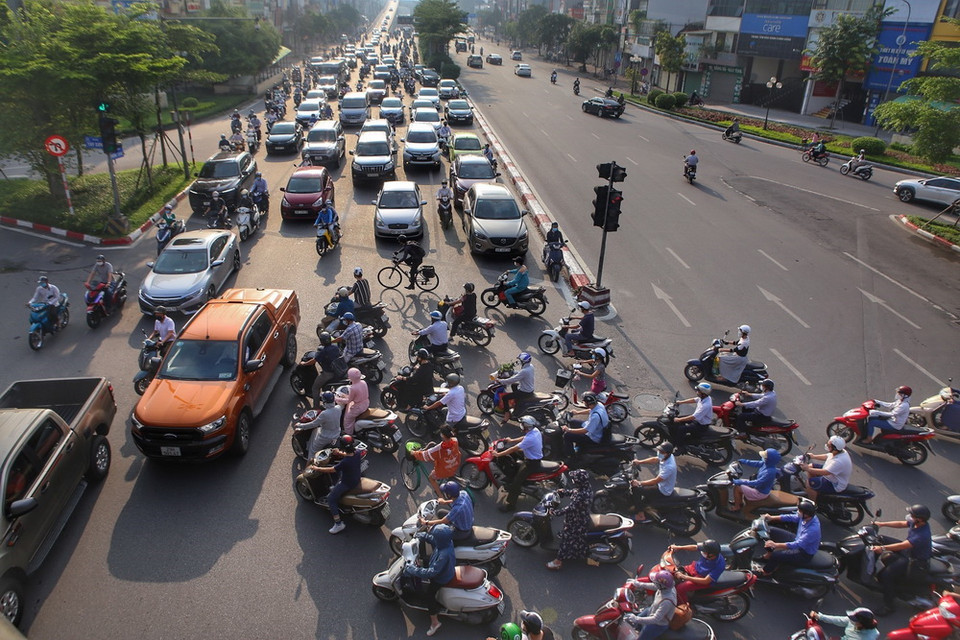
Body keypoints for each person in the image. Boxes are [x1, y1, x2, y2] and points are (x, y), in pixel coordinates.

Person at [871, 504, 933, 616]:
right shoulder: (916, 523)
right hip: (909, 552)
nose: (909, 516)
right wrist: (882, 524)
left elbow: (904, 545)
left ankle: (888, 606)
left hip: (913, 560)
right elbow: (901, 524)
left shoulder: (922, 534)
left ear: (919, 519)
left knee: (887, 576)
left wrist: (883, 548)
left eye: (912, 515)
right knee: (881, 539)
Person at [403, 524, 455, 636]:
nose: (434, 538)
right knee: (424, 560)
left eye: (436, 536)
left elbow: (432, 572)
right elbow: (433, 539)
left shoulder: (443, 555)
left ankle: (435, 623)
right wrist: (420, 535)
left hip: (441, 578)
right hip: (447, 570)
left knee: (429, 596)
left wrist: (413, 570)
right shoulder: (446, 543)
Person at [310, 434, 362, 534]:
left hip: (347, 483)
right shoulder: (358, 452)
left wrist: (317, 468)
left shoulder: (345, 462)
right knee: (340, 474)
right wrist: (339, 453)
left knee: (331, 499)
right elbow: (349, 454)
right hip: (356, 477)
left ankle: (338, 524)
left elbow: (331, 469)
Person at [758, 499, 821, 575]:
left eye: (799, 511)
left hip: (803, 552)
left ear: (806, 514)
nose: (798, 512)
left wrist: (775, 545)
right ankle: (768, 556)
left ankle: (766, 572)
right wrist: (772, 518)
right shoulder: (807, 517)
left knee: (776, 555)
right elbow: (791, 517)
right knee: (771, 530)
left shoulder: (812, 530)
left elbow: (797, 544)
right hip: (798, 539)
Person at [546, 469, 593, 570]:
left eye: (574, 479)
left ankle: (558, 561)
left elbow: (571, 508)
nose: (572, 481)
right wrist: (564, 492)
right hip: (578, 517)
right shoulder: (585, 487)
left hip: (577, 521)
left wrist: (556, 512)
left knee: (567, 540)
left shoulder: (582, 495)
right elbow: (574, 492)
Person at [496, 415, 544, 512]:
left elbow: (514, 448)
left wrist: (498, 454)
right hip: (531, 456)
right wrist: (511, 440)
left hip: (531, 463)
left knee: (516, 483)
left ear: (526, 426)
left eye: (522, 424)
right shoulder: (535, 431)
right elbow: (524, 437)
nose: (521, 425)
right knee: (511, 453)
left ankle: (510, 505)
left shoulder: (530, 438)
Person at [666, 539, 726, 605]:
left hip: (701, 578)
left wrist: (685, 577)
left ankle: (685, 608)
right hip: (694, 568)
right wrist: (679, 547)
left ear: (711, 555)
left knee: (680, 588)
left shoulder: (720, 565)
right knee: (674, 570)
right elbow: (695, 547)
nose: (703, 552)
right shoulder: (707, 549)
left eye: (705, 552)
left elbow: (706, 581)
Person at [621, 570, 677, 640]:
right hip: (651, 610)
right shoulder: (667, 587)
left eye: (656, 583)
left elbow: (656, 619)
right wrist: (638, 584)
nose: (654, 583)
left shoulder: (667, 601)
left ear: (661, 586)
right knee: (634, 622)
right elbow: (655, 586)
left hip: (657, 624)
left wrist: (636, 619)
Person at [631, 442, 677, 522]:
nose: (659, 453)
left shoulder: (669, 467)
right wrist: (639, 462)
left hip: (663, 489)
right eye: (659, 450)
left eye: (662, 452)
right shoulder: (668, 456)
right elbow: (655, 459)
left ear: (668, 453)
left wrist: (639, 483)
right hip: (661, 484)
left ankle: (640, 515)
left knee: (637, 489)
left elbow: (655, 481)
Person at [411, 427, 462, 499]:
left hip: (444, 470)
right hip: (454, 465)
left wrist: (414, 453)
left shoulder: (439, 449)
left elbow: (425, 456)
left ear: (443, 436)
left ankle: (440, 495)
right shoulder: (455, 440)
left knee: (431, 478)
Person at [802, 435, 853, 501]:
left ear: (834, 448)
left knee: (809, 483)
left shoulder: (839, 461)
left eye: (829, 445)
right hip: (831, 474)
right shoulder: (840, 451)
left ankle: (811, 505)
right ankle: (816, 489)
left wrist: (807, 469)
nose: (827, 445)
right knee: (811, 466)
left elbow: (825, 472)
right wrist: (813, 456)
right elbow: (827, 456)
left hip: (834, 483)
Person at [731, 448, 781, 512]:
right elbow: (755, 463)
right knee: (741, 483)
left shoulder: (769, 472)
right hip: (758, 487)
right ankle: (739, 501)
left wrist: (740, 482)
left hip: (760, 493)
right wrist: (743, 461)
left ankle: (737, 506)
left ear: (768, 459)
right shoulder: (766, 464)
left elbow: (757, 482)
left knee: (737, 487)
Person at [562, 392, 609, 457]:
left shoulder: (595, 417)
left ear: (588, 403)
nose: (583, 403)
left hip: (593, 437)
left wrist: (569, 430)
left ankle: (571, 457)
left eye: (584, 402)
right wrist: (577, 413)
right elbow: (590, 410)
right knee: (572, 422)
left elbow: (585, 430)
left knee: (567, 436)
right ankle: (579, 445)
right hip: (594, 429)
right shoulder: (599, 405)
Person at [309, 332, 349, 408]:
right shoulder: (335, 347)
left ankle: (316, 407)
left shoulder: (323, 351)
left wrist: (304, 363)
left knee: (315, 388)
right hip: (340, 370)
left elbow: (314, 360)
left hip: (329, 373)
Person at [499, 352, 536, 422]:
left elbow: (512, 380)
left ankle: (507, 414)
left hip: (525, 392)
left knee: (505, 398)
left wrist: (500, 381)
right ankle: (516, 402)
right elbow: (520, 373)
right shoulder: (531, 366)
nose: (520, 362)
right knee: (514, 385)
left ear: (523, 362)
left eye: (520, 361)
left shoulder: (525, 371)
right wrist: (512, 372)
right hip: (529, 389)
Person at [306, 392, 343, 459]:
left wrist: (300, 425)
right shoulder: (338, 408)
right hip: (337, 434)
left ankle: (308, 468)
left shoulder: (324, 414)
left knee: (312, 452)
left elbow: (313, 424)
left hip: (325, 437)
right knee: (316, 430)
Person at [808, 608, 879, 640]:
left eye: (855, 620)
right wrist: (819, 616)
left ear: (861, 624)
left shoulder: (865, 638)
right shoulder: (856, 622)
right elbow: (838, 620)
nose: (851, 620)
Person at [339, 368, 369, 436]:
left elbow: (348, 400)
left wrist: (337, 399)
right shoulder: (363, 382)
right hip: (366, 403)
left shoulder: (353, 388)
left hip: (358, 407)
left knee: (347, 419)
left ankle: (348, 434)